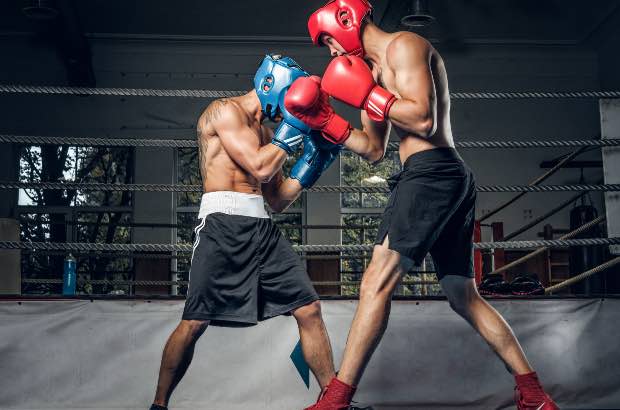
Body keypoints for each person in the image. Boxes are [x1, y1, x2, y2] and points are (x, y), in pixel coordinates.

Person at [284, 1, 559, 409]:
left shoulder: (405, 46)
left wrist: (368, 95)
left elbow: (424, 120)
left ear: (344, 22)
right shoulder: (371, 74)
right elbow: (375, 149)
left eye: (328, 42)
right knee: (462, 294)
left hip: (432, 172)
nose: (331, 54)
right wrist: (327, 121)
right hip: (443, 178)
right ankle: (535, 395)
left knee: (374, 282)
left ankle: (335, 401)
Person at [149, 54, 340, 410]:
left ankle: (333, 401)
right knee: (195, 322)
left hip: (262, 229)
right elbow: (258, 165)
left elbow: (278, 200)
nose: (290, 113)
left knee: (309, 308)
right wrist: (293, 135)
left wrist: (311, 167)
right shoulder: (224, 111)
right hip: (221, 223)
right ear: (273, 87)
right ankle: (159, 405)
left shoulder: (268, 133)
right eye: (291, 104)